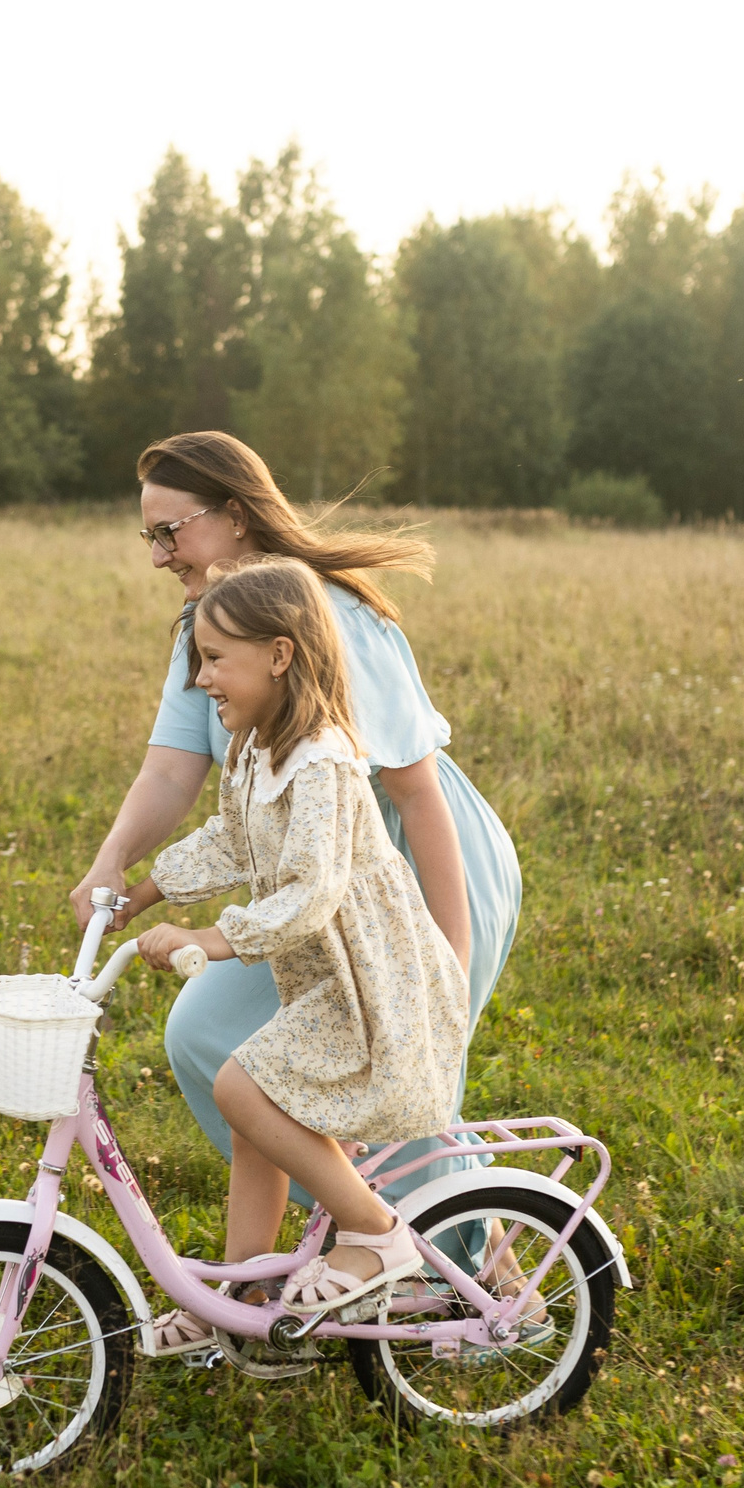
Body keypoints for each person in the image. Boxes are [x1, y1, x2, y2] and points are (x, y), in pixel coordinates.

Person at [68, 431, 522, 1250]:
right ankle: (317, 1260)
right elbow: (174, 772)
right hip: (303, 872)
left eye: (171, 532)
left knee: (396, 1075)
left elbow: (416, 793)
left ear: (235, 517)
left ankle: (463, 1268)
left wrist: (446, 969)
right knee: (211, 1038)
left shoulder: (324, 616)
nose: (159, 555)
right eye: (151, 536)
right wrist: (114, 867)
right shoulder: (209, 627)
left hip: (415, 866)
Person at [128, 558, 466, 1348]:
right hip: (329, 986)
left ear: (279, 655)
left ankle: (375, 1233)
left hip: (374, 987)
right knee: (255, 1118)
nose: (201, 679)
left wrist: (209, 942)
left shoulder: (325, 760)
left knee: (243, 1087)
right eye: (198, 660)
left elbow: (311, 895)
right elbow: (230, 841)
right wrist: (141, 891)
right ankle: (239, 1308)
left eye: (215, 659)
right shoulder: (254, 751)